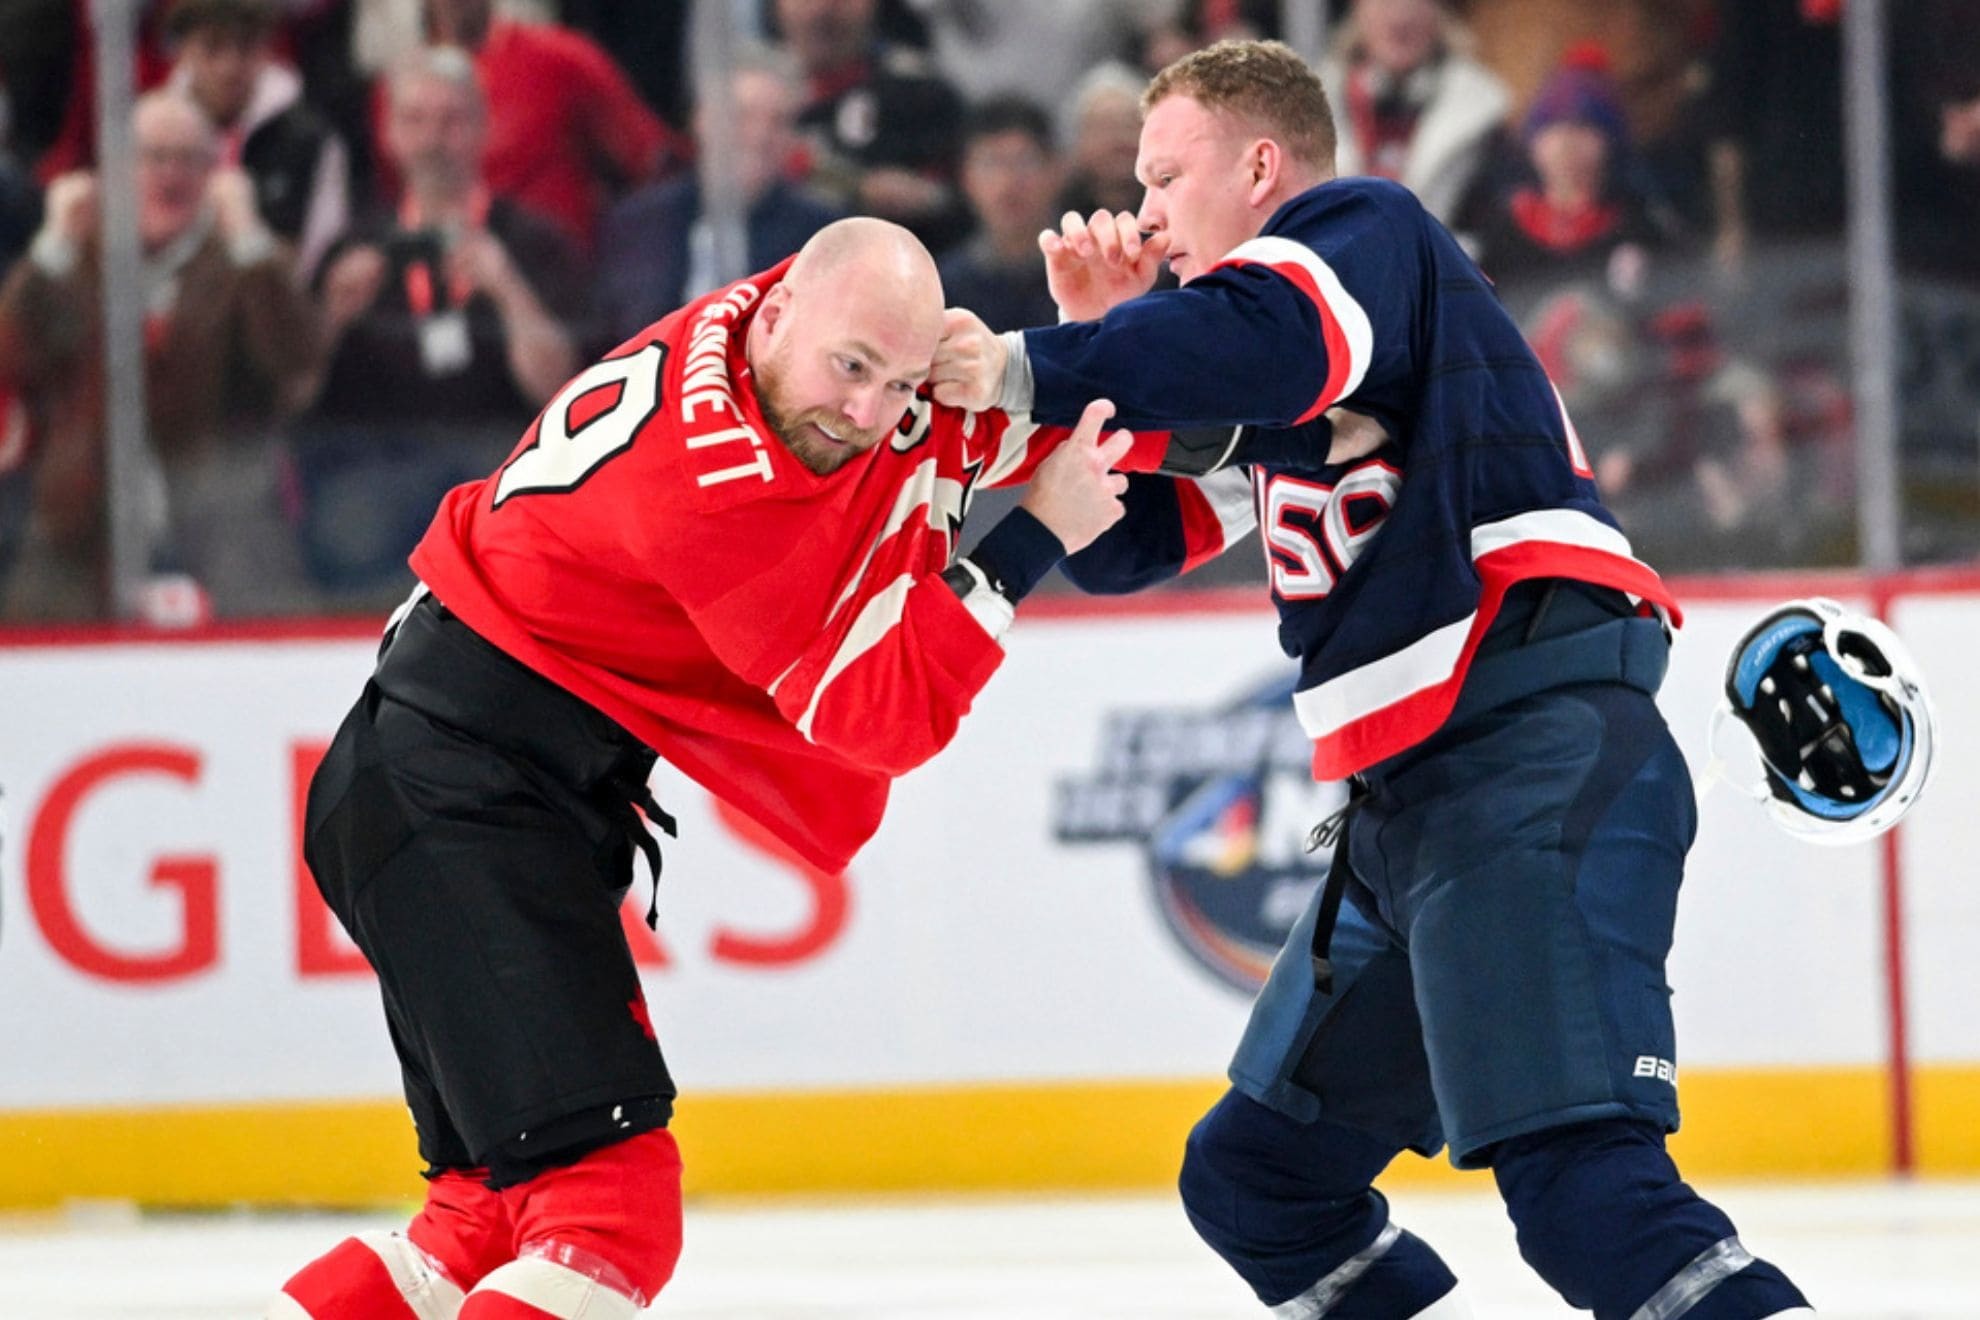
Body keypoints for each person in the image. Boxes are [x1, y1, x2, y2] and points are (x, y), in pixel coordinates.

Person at [930, 40, 1814, 1319]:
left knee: (1589, 1203)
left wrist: (1023, 365)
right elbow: (1118, 539)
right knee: (1258, 1182)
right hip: (1422, 808)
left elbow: (1264, 342)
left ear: (1263, 165)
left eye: (1165, 175)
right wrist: (1091, 346)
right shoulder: (1286, 360)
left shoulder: (1367, 232)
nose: (1147, 211)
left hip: (1525, 751)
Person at [268, 215, 1152, 1318]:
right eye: (854, 371)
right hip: (462, 794)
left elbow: (947, 427)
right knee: (609, 1217)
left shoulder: (791, 340)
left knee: (481, 1219)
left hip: (444, 773)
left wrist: (1084, 345)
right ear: (781, 310)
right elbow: (880, 718)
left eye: (896, 379)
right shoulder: (715, 490)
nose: (870, 413)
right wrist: (1032, 540)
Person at [0, 89, 320, 621]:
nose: (171, 174)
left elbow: (297, 359)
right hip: (82, 520)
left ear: (214, 174)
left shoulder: (243, 262)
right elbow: (11, 359)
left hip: (223, 515)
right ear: (116, 172)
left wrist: (247, 238)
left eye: (189, 158)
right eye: (154, 157)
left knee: (277, 625)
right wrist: (51, 247)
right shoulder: (77, 261)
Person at [296, 46, 586, 603]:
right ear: (388, 133)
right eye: (415, 120)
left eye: (451, 120)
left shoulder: (534, 243)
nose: (433, 139)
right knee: (345, 530)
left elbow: (560, 393)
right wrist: (331, 316)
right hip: (376, 475)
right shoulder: (352, 249)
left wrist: (507, 288)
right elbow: (294, 394)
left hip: (502, 469)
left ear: (483, 129)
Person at [594, 44, 842, 343]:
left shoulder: (822, 237)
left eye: (779, 122)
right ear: (702, 119)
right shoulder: (637, 224)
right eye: (743, 116)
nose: (760, 136)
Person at [162, 0, 352, 278]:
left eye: (245, 48)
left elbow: (322, 259)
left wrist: (248, 234)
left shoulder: (309, 140)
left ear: (266, 50)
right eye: (212, 48)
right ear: (182, 52)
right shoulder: (151, 137)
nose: (229, 67)